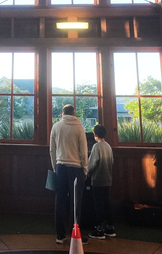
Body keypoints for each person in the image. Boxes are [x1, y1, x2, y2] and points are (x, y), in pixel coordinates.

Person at [49, 104, 88, 244]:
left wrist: (55, 168)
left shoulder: (56, 126)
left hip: (60, 167)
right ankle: (75, 235)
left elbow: (52, 151)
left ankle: (60, 235)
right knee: (75, 202)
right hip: (75, 168)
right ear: (74, 113)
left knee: (59, 200)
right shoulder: (79, 127)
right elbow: (83, 151)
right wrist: (85, 168)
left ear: (62, 114)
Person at [86, 124, 115, 239]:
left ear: (95, 135)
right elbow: (112, 161)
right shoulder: (108, 146)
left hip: (97, 180)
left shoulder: (96, 147)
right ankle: (110, 228)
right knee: (106, 204)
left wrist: (87, 173)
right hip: (107, 179)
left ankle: (99, 229)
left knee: (98, 205)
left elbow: (92, 164)